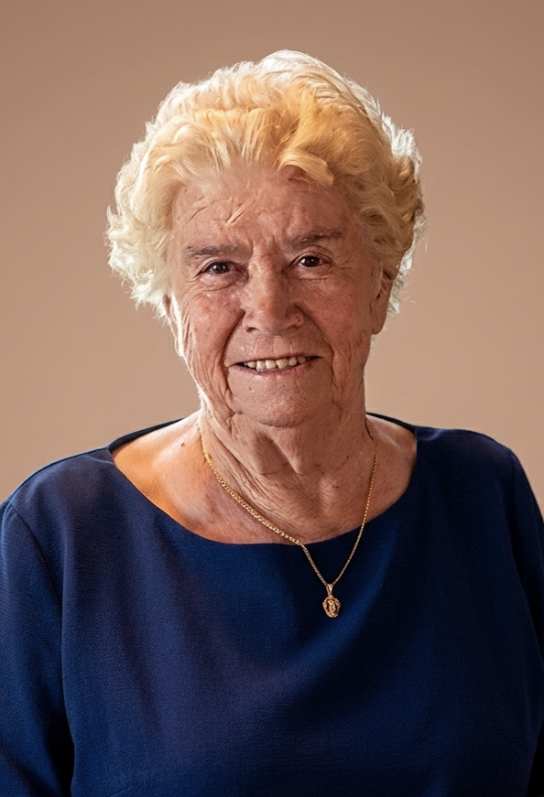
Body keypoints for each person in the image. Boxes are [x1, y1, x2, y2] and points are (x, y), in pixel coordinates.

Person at [1, 50, 543, 797]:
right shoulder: (61, 536)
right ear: (170, 305)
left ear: (380, 285)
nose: (268, 308)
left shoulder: (483, 496)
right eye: (218, 267)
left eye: (311, 259)